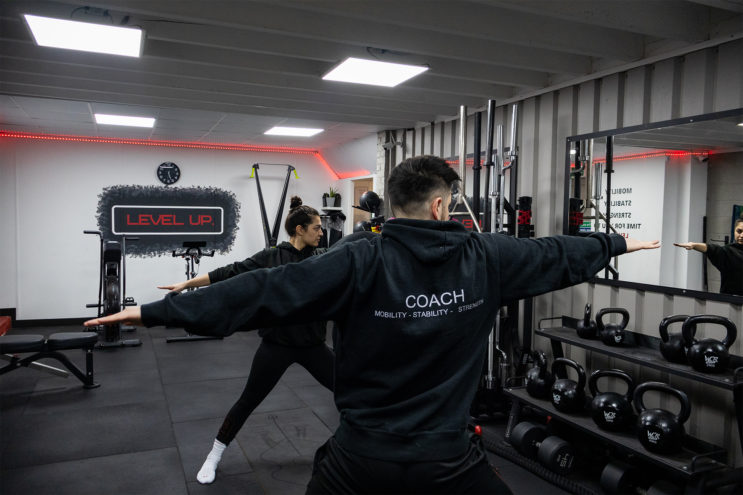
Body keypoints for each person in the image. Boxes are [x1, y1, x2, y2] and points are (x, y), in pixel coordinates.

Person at [86, 155, 659, 494]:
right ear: (441, 206)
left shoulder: (358, 258)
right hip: (448, 460)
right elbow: (559, 254)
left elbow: (265, 291)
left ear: (393, 204)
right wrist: (617, 242)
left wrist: (156, 311)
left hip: (361, 459)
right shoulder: (490, 256)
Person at [158, 196, 334, 484]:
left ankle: (360, 449)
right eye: (317, 227)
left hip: (313, 346)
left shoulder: (321, 258)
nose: (321, 232)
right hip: (276, 346)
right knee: (247, 401)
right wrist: (187, 284)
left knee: (351, 393)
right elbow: (230, 272)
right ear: (300, 229)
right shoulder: (271, 256)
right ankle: (213, 455)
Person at [674, 217, 743, 296]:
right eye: (739, 231)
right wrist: (694, 245)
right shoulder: (728, 251)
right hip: (730, 301)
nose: (741, 235)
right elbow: (711, 249)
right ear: (734, 231)